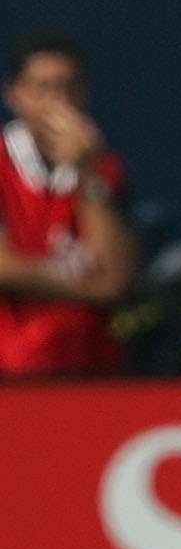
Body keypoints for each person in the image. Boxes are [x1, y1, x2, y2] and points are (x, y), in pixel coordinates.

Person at [0, 35, 137, 377]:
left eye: (68, 88)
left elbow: (117, 277)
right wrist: (89, 283)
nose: (58, 102)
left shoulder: (103, 168)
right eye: (43, 88)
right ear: (15, 94)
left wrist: (87, 175)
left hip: (90, 372)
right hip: (11, 374)